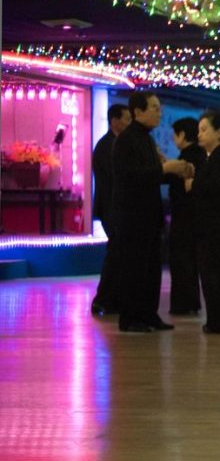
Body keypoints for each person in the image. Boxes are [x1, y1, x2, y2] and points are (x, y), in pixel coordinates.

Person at [112, 91, 195, 333]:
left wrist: (175, 171)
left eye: (159, 108)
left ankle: (149, 315)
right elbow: (131, 177)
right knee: (134, 268)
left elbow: (152, 176)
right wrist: (166, 168)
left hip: (148, 214)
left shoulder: (146, 139)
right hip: (132, 215)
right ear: (138, 112)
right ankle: (130, 318)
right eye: (154, 108)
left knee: (151, 268)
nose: (159, 113)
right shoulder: (127, 140)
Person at [189, 111, 220, 334]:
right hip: (211, 226)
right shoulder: (214, 157)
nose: (199, 135)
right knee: (212, 275)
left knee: (215, 275)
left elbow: (213, 188)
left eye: (204, 129)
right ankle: (218, 319)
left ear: (219, 132)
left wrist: (193, 184)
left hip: (217, 227)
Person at [91, 103, 131, 317]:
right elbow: (113, 181)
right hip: (111, 208)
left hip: (113, 208)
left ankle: (111, 299)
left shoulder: (114, 144)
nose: (128, 123)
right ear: (114, 120)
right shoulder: (108, 146)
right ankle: (103, 299)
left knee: (117, 253)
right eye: (126, 119)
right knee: (115, 253)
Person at [167, 117, 207, 316]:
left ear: (182, 135)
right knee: (192, 261)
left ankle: (182, 304)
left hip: (183, 218)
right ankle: (192, 302)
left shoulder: (185, 158)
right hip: (199, 218)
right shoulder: (203, 156)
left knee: (181, 260)